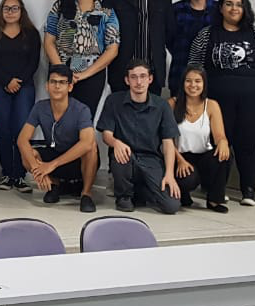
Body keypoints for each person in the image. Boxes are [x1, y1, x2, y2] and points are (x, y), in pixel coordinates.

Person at [188, 0, 255, 206]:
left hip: (254, 101)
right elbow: (194, 66)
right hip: (217, 102)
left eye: (239, 4)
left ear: (245, 8)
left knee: (247, 145)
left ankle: (249, 190)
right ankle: (218, 189)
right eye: (229, 4)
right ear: (220, 8)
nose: (234, 8)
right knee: (221, 142)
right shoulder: (207, 34)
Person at [97, 59, 195, 214]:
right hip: (125, 157)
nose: (138, 82)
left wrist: (169, 174)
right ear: (127, 80)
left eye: (143, 76)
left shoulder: (161, 106)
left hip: (151, 160)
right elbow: (106, 134)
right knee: (121, 156)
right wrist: (116, 143)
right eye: (134, 77)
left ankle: (143, 192)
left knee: (171, 206)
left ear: (150, 79)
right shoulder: (114, 101)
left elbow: (168, 142)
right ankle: (124, 196)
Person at [17, 65, 99, 213]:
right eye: (53, 82)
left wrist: (52, 165)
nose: (57, 86)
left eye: (62, 82)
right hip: (54, 152)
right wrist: (37, 170)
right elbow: (22, 139)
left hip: (75, 160)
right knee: (29, 153)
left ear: (70, 87)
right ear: (47, 86)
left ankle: (86, 194)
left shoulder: (81, 110)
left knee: (91, 147)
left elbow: (86, 143)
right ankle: (53, 185)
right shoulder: (40, 108)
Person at [0, 0, 40, 193]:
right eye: (6, 8)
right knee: (4, 130)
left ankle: (21, 175)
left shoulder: (32, 34)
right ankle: (7, 174)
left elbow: (34, 62)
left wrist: (18, 81)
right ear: (1, 11)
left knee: (22, 130)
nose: (10, 12)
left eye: (15, 8)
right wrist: (7, 81)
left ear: (21, 10)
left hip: (25, 86)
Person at [44, 0, 120, 117]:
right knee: (59, 118)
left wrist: (84, 74)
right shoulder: (59, 8)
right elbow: (49, 41)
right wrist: (62, 71)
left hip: (92, 75)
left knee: (84, 119)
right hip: (61, 74)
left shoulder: (106, 13)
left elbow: (112, 49)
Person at [102, 0, 175, 95]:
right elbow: (104, 31)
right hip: (122, 71)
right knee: (121, 115)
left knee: (151, 116)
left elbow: (170, 32)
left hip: (153, 71)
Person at [167, 66, 231, 212]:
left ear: (204, 84)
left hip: (203, 156)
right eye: (188, 81)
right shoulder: (171, 104)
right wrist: (179, 160)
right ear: (182, 83)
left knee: (225, 155)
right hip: (179, 156)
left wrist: (223, 142)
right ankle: (183, 193)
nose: (193, 85)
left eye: (197, 81)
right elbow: (166, 139)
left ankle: (215, 199)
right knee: (187, 180)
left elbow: (219, 135)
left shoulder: (212, 105)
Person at [169, 0, 216, 90]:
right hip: (181, 68)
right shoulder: (175, 9)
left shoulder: (218, 10)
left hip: (212, 71)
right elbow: (168, 38)